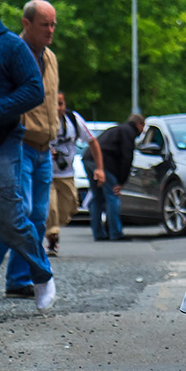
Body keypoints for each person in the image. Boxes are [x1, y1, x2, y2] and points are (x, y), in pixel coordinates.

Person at [0, 0, 60, 303]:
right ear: (26, 23)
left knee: (33, 215)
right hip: (22, 144)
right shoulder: (16, 48)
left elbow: (44, 97)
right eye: (45, 24)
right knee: (20, 212)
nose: (51, 30)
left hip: (38, 146)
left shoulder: (47, 57)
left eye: (53, 24)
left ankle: (19, 278)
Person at [45, 92, 105, 256]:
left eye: (61, 103)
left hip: (67, 174)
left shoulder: (73, 120)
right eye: (55, 104)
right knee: (51, 208)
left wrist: (99, 168)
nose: (58, 108)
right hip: (46, 174)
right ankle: (52, 238)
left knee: (70, 207)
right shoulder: (42, 120)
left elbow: (92, 141)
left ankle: (52, 228)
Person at [83, 113, 144, 241]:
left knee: (97, 196)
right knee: (112, 195)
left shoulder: (116, 129)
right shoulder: (128, 133)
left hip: (88, 158)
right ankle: (116, 232)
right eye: (143, 127)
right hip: (104, 163)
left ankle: (98, 232)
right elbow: (127, 158)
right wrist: (121, 182)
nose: (142, 131)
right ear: (139, 124)